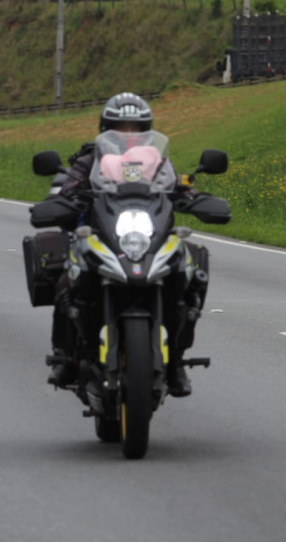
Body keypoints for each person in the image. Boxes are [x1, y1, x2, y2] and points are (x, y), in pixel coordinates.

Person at [46, 92, 213, 398]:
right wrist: (64, 199)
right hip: (102, 235)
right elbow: (67, 188)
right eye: (120, 127)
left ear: (147, 131)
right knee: (66, 279)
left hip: (151, 237)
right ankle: (67, 356)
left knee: (193, 271)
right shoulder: (89, 161)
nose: (128, 134)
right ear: (105, 129)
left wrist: (195, 198)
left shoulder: (159, 163)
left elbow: (179, 186)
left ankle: (176, 360)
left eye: (136, 128)